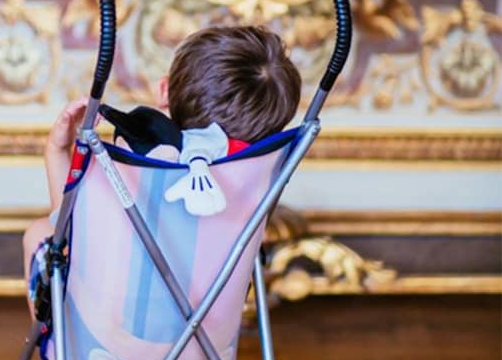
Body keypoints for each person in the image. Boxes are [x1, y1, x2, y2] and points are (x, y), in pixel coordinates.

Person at [23, 24, 302, 283]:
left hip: (119, 327)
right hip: (209, 326)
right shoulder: (255, 173)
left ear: (163, 90)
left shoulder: (137, 164)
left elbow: (71, 229)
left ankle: (57, 338)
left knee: (38, 233)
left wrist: (57, 149)